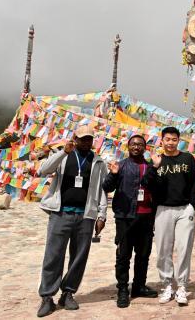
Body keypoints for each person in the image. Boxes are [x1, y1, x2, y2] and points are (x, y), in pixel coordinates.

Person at [36, 124, 108, 318]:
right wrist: (63, 153)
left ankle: (68, 293)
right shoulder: (63, 155)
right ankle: (47, 296)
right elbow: (43, 170)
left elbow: (102, 189)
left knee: (79, 256)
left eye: (89, 139)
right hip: (60, 213)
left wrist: (102, 215)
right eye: (82, 139)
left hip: (86, 216)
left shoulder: (98, 161)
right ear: (74, 139)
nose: (86, 142)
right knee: (53, 255)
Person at [143, 126, 195, 306]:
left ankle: (182, 286)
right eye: (167, 139)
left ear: (178, 141)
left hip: (184, 209)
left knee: (184, 249)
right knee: (163, 250)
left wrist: (192, 205)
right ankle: (167, 285)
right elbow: (146, 184)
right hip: (163, 209)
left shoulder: (187, 158)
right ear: (162, 141)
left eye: (174, 139)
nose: (170, 143)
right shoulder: (156, 160)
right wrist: (154, 167)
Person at [102, 134, 158, 308]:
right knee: (123, 255)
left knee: (143, 255)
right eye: (133, 144)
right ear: (128, 146)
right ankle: (122, 289)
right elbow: (107, 187)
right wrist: (113, 175)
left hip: (146, 217)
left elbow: (157, 189)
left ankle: (139, 286)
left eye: (140, 144)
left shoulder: (151, 166)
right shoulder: (121, 166)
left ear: (145, 148)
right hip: (125, 217)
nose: (136, 147)